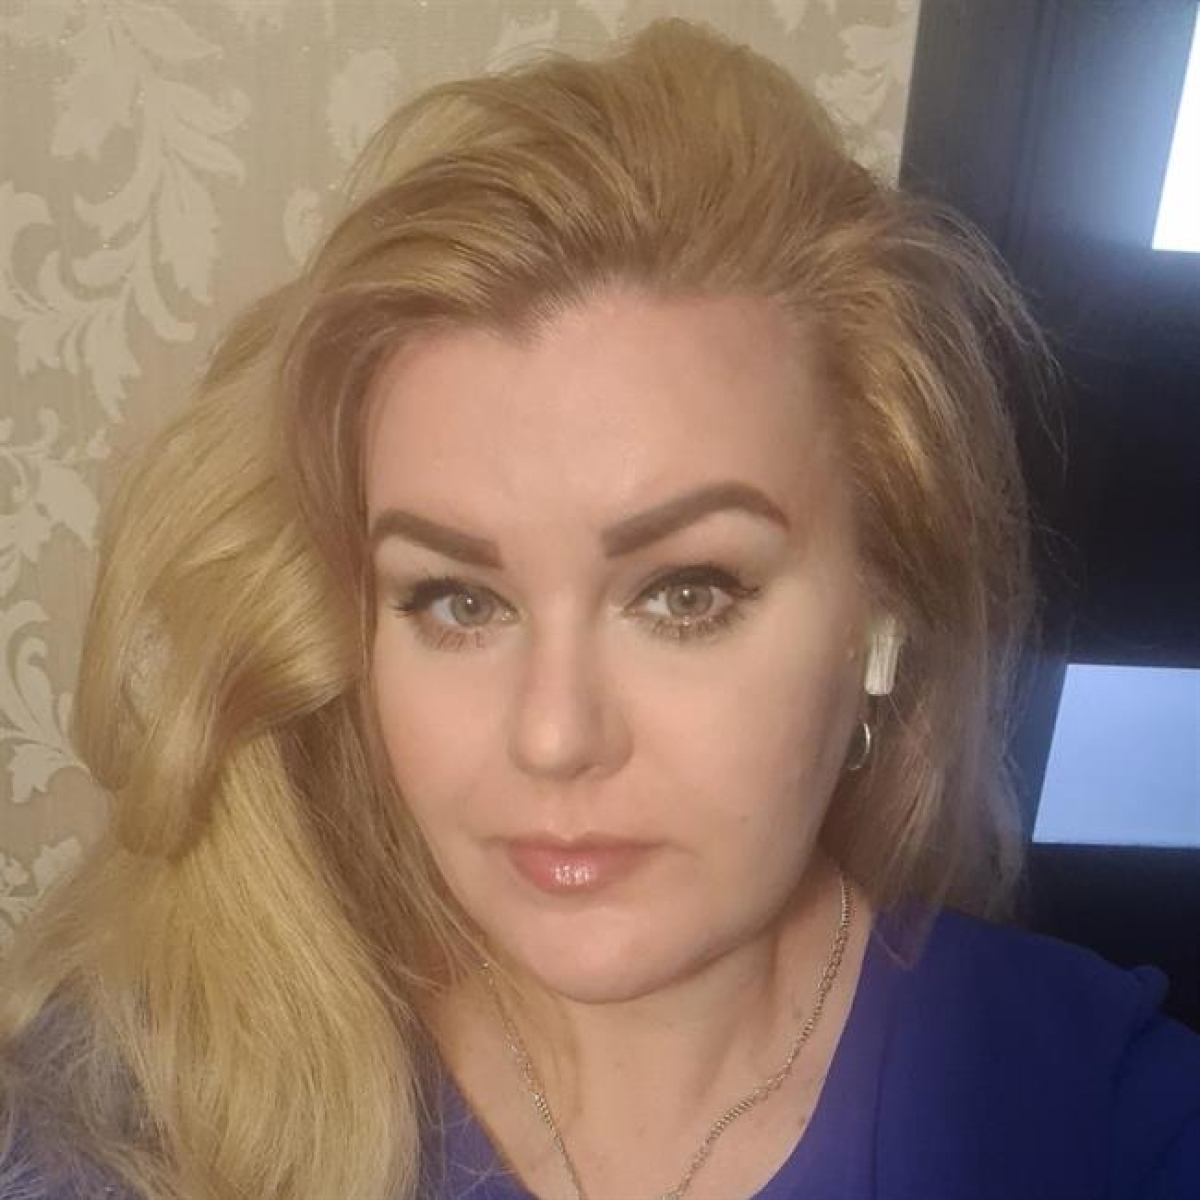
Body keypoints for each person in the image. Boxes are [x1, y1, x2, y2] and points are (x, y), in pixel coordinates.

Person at [1, 15, 1197, 1200]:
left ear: (879, 611)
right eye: (457, 600)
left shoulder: (1093, 1115)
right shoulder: (160, 1088)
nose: (553, 735)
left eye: (686, 594)